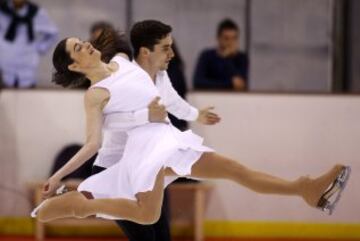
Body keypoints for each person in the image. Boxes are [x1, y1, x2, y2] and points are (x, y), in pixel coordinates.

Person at [31, 26, 350, 224]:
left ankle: (305, 189)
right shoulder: (95, 95)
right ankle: (79, 206)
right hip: (144, 148)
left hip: (169, 137)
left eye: (80, 41)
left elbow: (162, 85)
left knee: (235, 170)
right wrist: (58, 175)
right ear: (74, 65)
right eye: (77, 48)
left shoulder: (123, 60)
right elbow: (93, 144)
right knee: (147, 215)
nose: (85, 45)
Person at [0, 0, 58, 88]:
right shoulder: (2, 10)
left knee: (27, 97)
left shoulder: (36, 12)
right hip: (4, 66)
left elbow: (53, 33)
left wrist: (39, 48)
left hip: (27, 66)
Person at [193, 18, 248, 91]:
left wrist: (228, 59)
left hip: (235, 99)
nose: (231, 42)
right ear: (218, 38)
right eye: (226, 38)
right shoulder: (206, 56)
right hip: (209, 97)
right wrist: (229, 83)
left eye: (234, 38)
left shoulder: (241, 58)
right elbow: (198, 82)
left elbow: (240, 85)